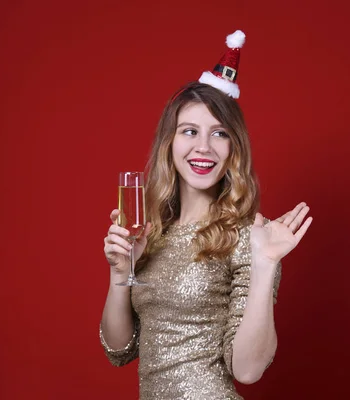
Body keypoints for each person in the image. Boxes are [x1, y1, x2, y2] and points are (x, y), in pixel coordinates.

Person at [99, 30, 312, 399]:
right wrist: (122, 272)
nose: (203, 147)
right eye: (190, 131)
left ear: (234, 148)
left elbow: (247, 370)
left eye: (219, 134)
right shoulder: (150, 233)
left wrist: (264, 267)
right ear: (170, 143)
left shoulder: (248, 238)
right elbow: (119, 350)